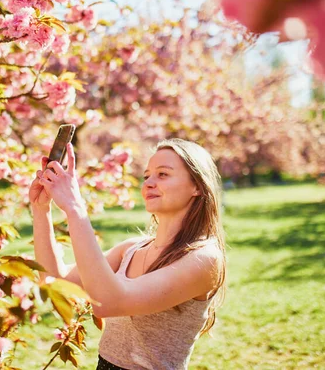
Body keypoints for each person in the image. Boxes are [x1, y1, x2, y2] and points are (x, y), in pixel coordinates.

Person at [29, 138, 226, 370]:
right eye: (146, 176)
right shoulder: (131, 250)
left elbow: (109, 303)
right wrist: (41, 209)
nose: (149, 183)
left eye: (163, 174)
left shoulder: (204, 259)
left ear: (197, 186)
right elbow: (55, 283)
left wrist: (75, 208)